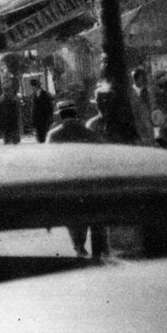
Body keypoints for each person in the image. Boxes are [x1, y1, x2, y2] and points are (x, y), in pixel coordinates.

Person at [47, 99, 97, 257]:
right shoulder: (88, 132)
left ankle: (78, 245)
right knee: (86, 215)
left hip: (66, 181)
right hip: (86, 180)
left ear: (60, 115)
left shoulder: (54, 135)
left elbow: (49, 161)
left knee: (72, 216)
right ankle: (81, 244)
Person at [130, 67, 155, 144]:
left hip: (146, 120)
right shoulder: (130, 92)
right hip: (135, 121)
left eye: (142, 78)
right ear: (134, 79)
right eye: (138, 78)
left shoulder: (146, 91)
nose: (140, 81)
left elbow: (151, 105)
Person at [30, 78, 54, 143]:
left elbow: (49, 107)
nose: (31, 89)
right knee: (40, 140)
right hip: (37, 122)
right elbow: (33, 109)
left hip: (44, 121)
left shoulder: (45, 94)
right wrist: (33, 121)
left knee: (44, 139)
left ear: (35, 86)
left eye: (32, 87)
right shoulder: (34, 95)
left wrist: (49, 118)